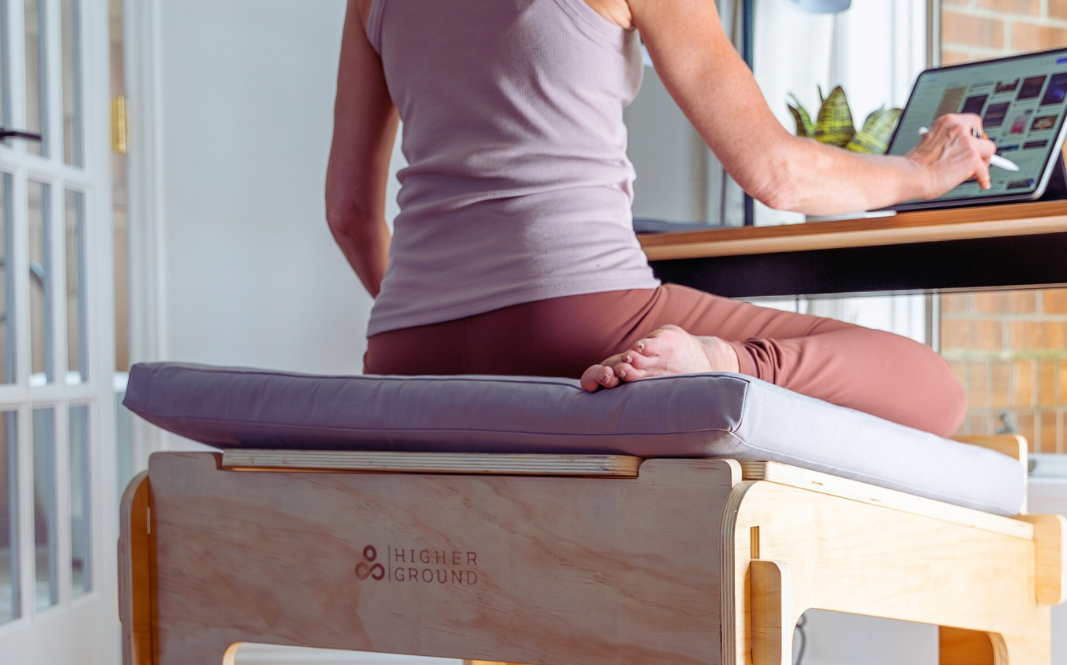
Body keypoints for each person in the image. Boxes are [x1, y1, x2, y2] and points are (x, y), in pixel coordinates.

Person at [326, 0, 995, 436]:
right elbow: (776, 174)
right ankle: (716, 360)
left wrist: (440, 317)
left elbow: (351, 213)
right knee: (933, 388)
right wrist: (923, 171)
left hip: (402, 353)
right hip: (577, 325)